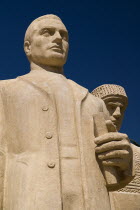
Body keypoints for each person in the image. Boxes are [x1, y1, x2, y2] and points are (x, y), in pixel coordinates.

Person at [0, 15, 133, 210]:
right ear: (28, 47)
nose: (57, 39)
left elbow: (113, 173)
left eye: (63, 36)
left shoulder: (95, 103)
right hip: (28, 199)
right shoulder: (5, 91)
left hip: (93, 203)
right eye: (47, 32)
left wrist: (123, 161)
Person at [92, 84, 140, 210]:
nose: (118, 114)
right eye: (111, 106)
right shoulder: (78, 148)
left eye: (121, 108)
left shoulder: (137, 153)